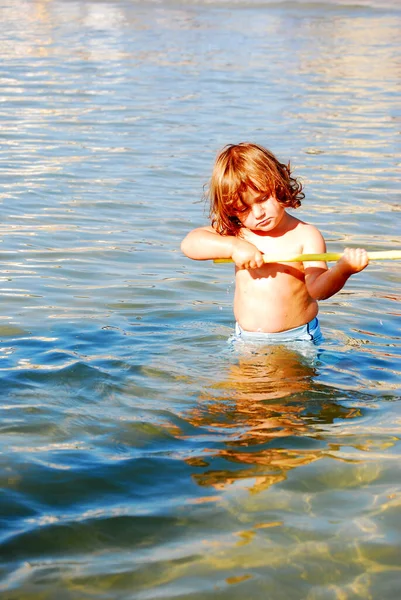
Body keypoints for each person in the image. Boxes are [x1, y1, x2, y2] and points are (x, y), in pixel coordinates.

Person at [181, 142, 369, 343]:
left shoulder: (305, 235)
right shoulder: (238, 233)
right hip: (245, 338)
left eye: (262, 198)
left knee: (284, 375)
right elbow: (190, 244)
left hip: (295, 339)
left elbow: (318, 290)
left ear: (279, 185)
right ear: (231, 210)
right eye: (243, 209)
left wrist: (343, 270)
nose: (258, 213)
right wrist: (233, 246)